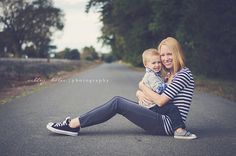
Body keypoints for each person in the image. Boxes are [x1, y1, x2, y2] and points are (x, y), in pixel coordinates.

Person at [46, 37, 197, 139]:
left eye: (169, 54)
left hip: (167, 124)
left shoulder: (183, 74)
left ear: (177, 53)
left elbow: (160, 101)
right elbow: (154, 94)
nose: (165, 59)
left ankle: (73, 125)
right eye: (162, 55)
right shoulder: (168, 75)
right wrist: (140, 91)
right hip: (160, 117)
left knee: (117, 102)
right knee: (118, 102)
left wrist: (142, 86)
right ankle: (73, 124)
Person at [139, 48, 190, 139]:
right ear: (146, 64)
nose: (157, 65)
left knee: (170, 107)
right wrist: (169, 83)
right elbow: (159, 89)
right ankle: (179, 130)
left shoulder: (155, 74)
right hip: (152, 106)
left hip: (151, 105)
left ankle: (178, 128)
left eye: (159, 62)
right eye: (153, 63)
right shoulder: (151, 76)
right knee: (172, 108)